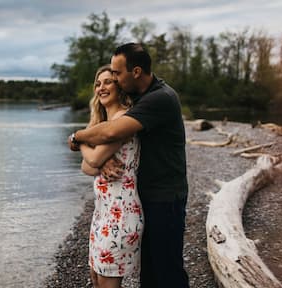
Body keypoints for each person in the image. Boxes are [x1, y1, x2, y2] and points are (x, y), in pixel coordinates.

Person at [68, 43, 190, 288]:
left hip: (165, 197)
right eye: (107, 76)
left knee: (167, 271)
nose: (113, 79)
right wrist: (101, 161)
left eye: (116, 74)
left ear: (136, 72)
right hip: (141, 196)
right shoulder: (139, 95)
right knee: (151, 275)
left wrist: (76, 137)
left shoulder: (159, 98)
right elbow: (92, 163)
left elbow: (112, 132)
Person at [78, 64, 143, 288]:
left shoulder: (123, 121)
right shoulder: (102, 125)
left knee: (106, 283)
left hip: (121, 213)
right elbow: (85, 168)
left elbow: (92, 161)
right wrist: (100, 159)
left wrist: (78, 141)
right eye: (98, 84)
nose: (101, 88)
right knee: (96, 280)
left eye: (107, 82)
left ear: (119, 87)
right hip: (102, 213)